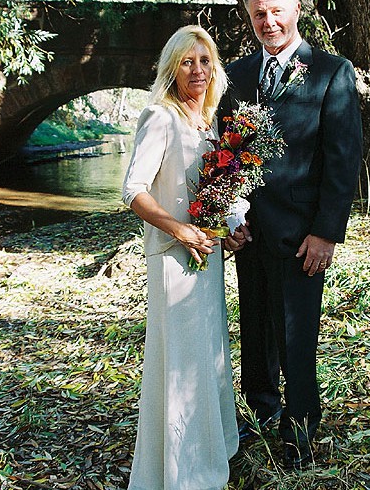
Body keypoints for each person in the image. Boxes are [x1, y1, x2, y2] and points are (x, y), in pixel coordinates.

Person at [220, 0, 363, 469]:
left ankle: (299, 429)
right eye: (259, 13)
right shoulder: (234, 77)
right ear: (250, 17)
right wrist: (225, 219)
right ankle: (260, 415)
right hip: (249, 232)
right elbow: (224, 154)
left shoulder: (330, 71)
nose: (269, 20)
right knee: (255, 329)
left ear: (296, 9)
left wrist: (326, 232)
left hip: (304, 236)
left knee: (296, 336)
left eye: (276, 10)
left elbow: (343, 160)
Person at [122, 25, 239, 490]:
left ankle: (211, 449)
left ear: (215, 68)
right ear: (172, 68)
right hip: (174, 259)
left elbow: (208, 192)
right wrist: (179, 229)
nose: (197, 70)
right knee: (180, 361)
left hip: (207, 258)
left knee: (207, 355)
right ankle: (180, 472)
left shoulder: (208, 121)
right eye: (187, 62)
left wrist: (228, 227)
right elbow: (133, 190)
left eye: (205, 61)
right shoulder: (161, 116)